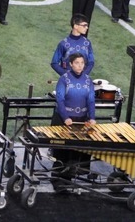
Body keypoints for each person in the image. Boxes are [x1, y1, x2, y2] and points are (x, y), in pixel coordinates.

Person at [51, 53, 96, 182]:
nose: (80, 66)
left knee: (77, 153)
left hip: (80, 121)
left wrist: (92, 117)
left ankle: (71, 178)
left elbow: (91, 100)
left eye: (82, 63)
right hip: (64, 121)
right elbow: (60, 100)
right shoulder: (63, 79)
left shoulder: (88, 80)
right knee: (62, 153)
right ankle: (58, 179)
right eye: (77, 63)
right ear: (71, 64)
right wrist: (66, 118)